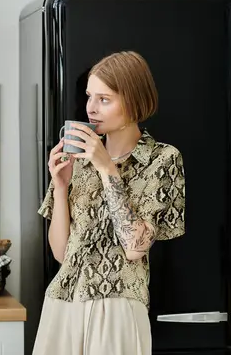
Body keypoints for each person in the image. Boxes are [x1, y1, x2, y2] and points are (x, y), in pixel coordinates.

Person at [32, 51, 185, 355]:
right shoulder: (77, 159)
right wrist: (60, 187)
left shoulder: (163, 159)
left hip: (118, 307)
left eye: (105, 99)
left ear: (134, 101)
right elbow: (63, 253)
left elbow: (134, 247)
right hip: (63, 302)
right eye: (90, 97)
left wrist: (107, 170)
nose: (91, 108)